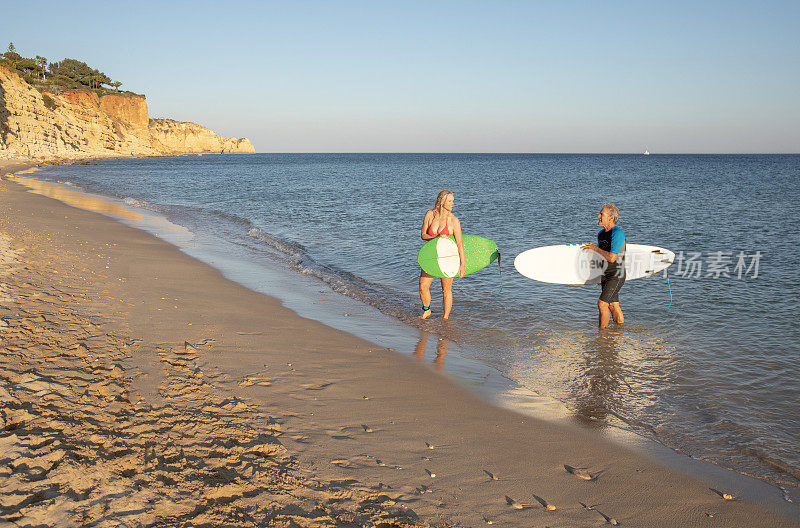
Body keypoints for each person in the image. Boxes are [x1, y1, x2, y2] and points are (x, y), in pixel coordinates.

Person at [419, 190, 465, 320]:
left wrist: (463, 264)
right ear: (442, 201)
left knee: (446, 290)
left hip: (448, 258)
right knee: (423, 286)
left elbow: (460, 243)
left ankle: (445, 319)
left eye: (453, 201)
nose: (452, 204)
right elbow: (423, 235)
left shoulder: (454, 220)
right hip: (432, 255)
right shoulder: (430, 215)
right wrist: (435, 238)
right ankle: (427, 310)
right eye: (450, 201)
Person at [582, 203, 625, 329]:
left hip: (617, 274)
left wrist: (594, 248)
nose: (598, 216)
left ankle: (602, 336)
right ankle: (620, 331)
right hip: (606, 274)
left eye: (602, 214)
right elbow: (601, 256)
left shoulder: (617, 233)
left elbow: (612, 257)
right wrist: (599, 275)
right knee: (613, 305)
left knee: (602, 304)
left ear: (611, 218)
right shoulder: (601, 234)